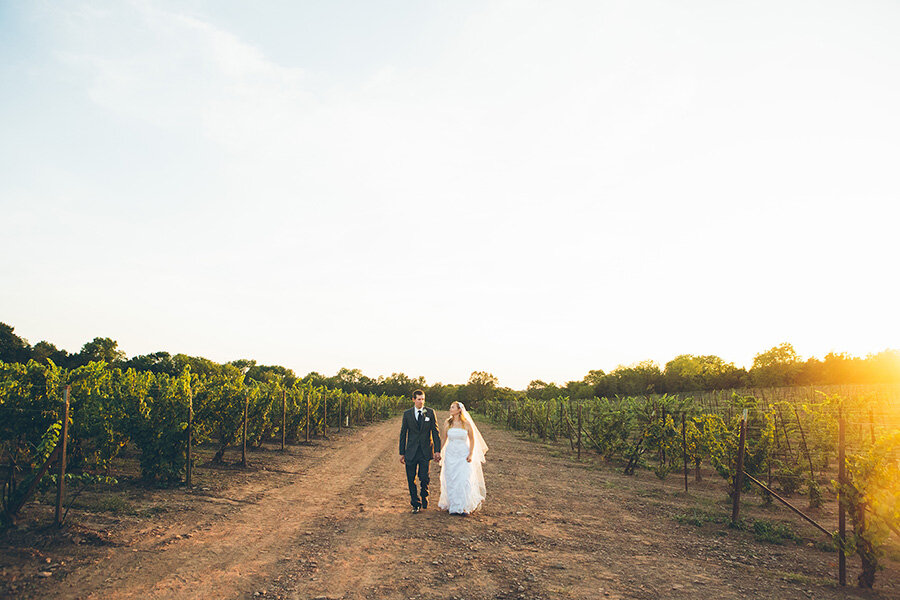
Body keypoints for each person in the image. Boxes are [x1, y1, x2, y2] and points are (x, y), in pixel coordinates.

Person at [438, 401, 488, 515]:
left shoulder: (466, 424)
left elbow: (472, 440)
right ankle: (453, 506)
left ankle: (464, 506)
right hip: (451, 454)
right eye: (450, 407)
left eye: (452, 407)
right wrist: (438, 452)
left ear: (459, 410)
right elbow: (444, 439)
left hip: (463, 454)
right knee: (451, 479)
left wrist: (470, 454)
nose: (450, 409)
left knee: (464, 479)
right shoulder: (448, 423)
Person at [399, 390, 441, 513]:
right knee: (411, 478)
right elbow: (403, 433)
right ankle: (415, 503)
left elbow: (435, 432)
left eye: (422, 399)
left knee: (424, 477)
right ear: (413, 400)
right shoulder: (407, 414)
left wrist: (437, 451)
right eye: (418, 399)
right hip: (411, 451)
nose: (421, 401)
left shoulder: (430, 412)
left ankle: (424, 495)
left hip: (425, 450)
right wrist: (402, 452)